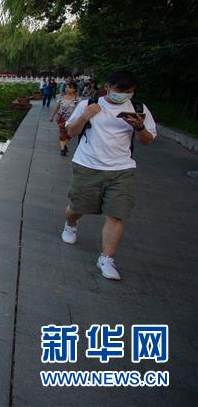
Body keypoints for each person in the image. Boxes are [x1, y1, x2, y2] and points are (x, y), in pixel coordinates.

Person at [60, 70, 157, 280]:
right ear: (108, 86)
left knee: (116, 215)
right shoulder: (88, 105)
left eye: (128, 91)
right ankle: (71, 224)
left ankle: (107, 259)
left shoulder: (138, 110)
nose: (123, 94)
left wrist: (139, 127)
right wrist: (85, 116)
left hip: (122, 169)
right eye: (119, 90)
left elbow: (147, 141)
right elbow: (71, 132)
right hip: (87, 165)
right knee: (77, 208)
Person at [49, 83, 78, 156]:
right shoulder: (61, 97)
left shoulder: (78, 99)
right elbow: (56, 108)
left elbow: (80, 110)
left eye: (70, 88)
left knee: (70, 133)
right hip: (61, 118)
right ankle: (63, 149)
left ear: (74, 89)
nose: (67, 89)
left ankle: (64, 145)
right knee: (62, 132)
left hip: (72, 119)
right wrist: (52, 116)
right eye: (66, 87)